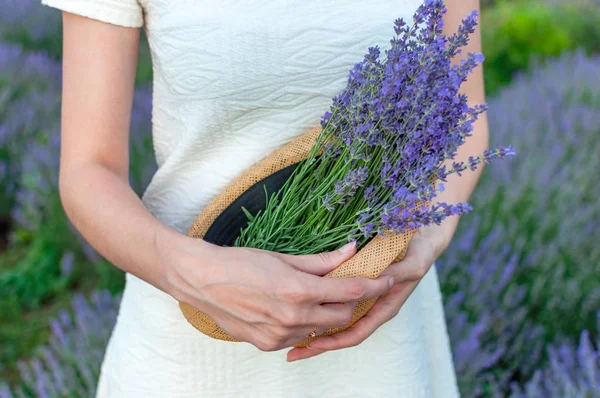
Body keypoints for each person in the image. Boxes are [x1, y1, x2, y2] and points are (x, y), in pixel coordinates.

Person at [43, 0, 488, 396]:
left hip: (375, 324)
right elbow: (87, 170)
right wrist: (188, 272)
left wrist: (426, 240)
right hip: (194, 338)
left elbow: (462, 110)